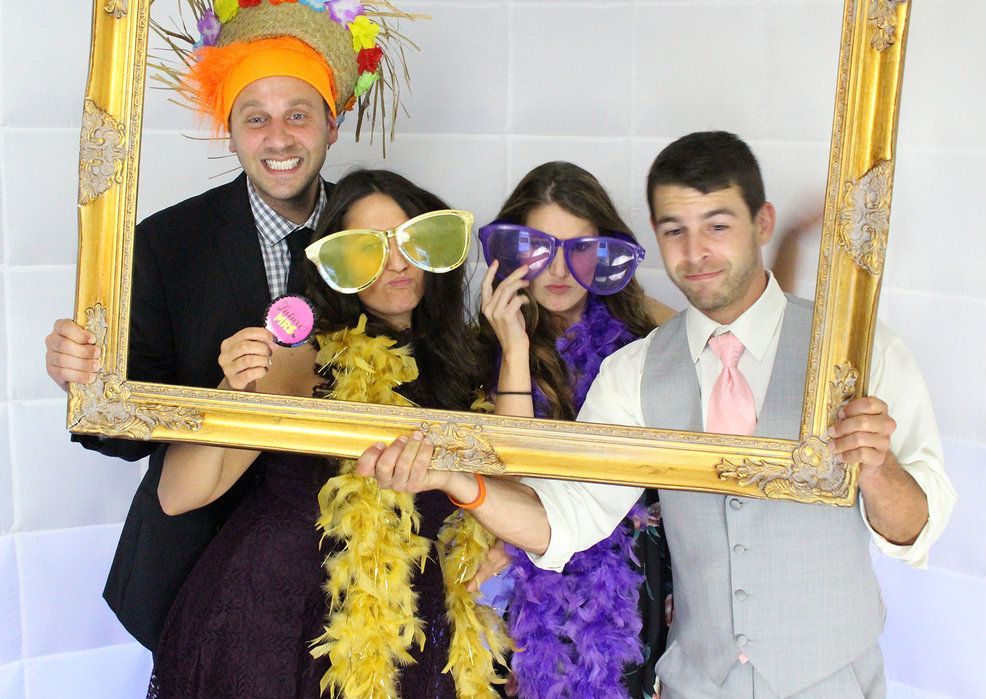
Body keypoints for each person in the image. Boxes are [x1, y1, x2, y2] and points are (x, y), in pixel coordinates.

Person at [356, 132, 957, 697]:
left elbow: (918, 530)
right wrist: (454, 478)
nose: (695, 252)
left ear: (761, 223)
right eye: (675, 231)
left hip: (834, 680)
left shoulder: (858, 352)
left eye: (717, 225)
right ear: (655, 238)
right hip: (691, 680)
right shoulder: (635, 372)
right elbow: (565, 520)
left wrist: (877, 471)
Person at [42, 0, 414, 651]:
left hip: (353, 575)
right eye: (256, 118)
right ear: (232, 129)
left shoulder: (380, 233)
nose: (278, 137)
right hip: (199, 570)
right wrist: (84, 378)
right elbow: (126, 434)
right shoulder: (163, 245)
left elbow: (421, 377)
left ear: (332, 121)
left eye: (298, 115)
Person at [149, 169, 510, 698]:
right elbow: (180, 495)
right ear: (334, 265)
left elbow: (515, 481)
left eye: (414, 241)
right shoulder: (304, 359)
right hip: (278, 618)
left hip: (410, 625)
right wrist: (232, 389)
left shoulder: (472, 360)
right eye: (365, 251)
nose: (396, 263)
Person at [477, 161, 672, 698]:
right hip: (523, 574)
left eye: (581, 248)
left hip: (624, 576)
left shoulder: (644, 332)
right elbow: (511, 472)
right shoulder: (480, 345)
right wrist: (514, 349)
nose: (559, 270)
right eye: (541, 249)